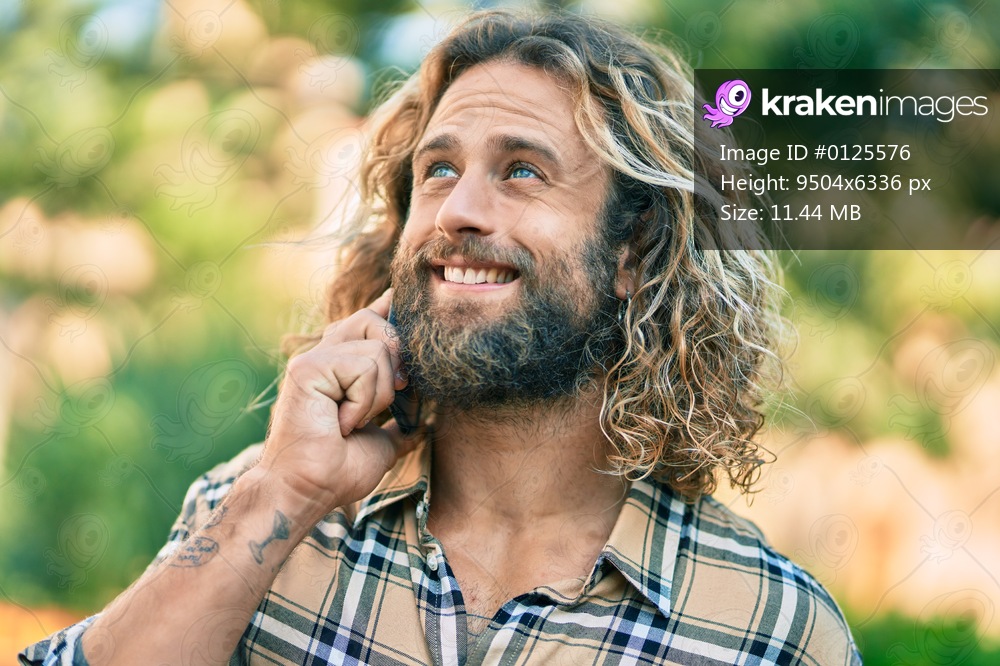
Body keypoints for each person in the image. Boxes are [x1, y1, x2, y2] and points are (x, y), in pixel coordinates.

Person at [22, 9, 862, 665]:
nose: (459, 209)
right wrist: (280, 493)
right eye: (439, 170)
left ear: (635, 252)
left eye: (522, 171)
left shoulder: (769, 628)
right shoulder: (263, 509)